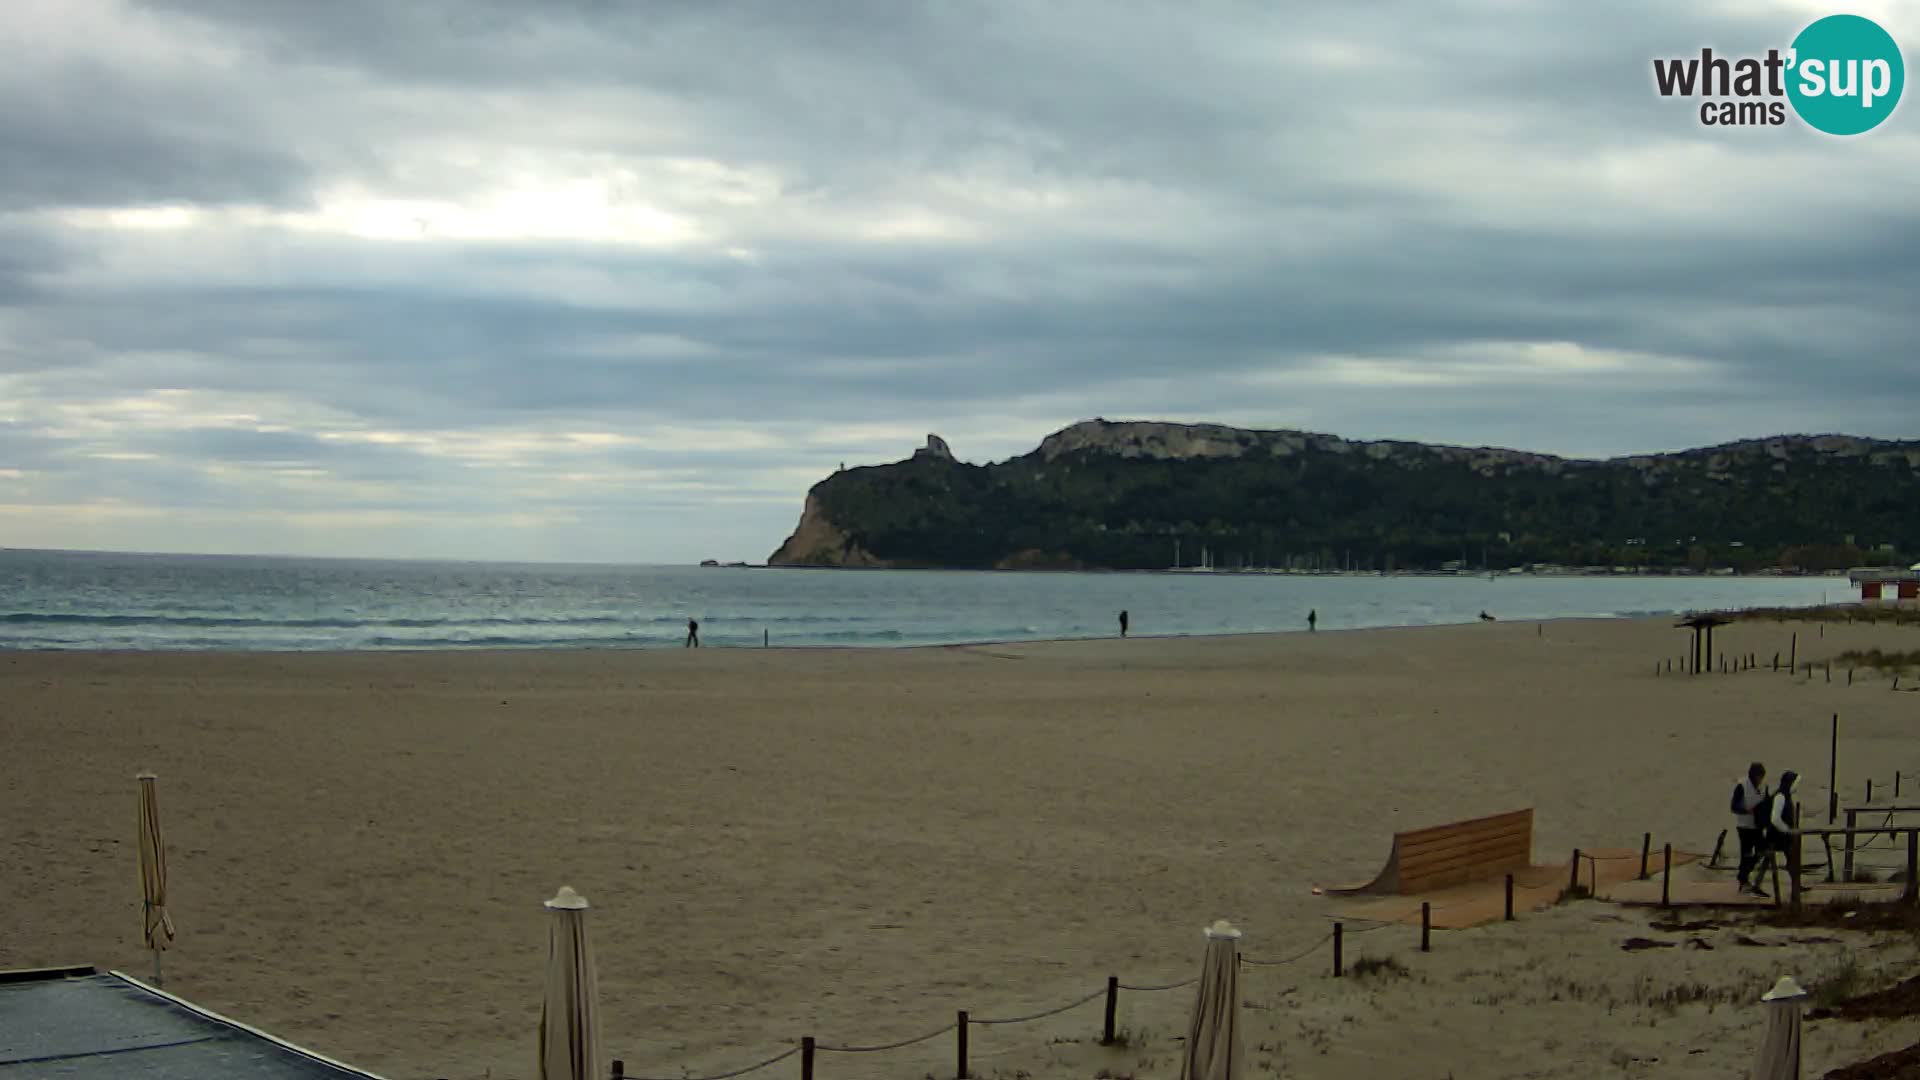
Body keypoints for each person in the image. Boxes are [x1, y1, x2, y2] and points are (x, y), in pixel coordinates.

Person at [1754, 770, 1801, 898]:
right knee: (1776, 858)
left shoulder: (1786, 796)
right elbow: (1775, 818)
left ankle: (1796, 885)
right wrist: (1787, 829)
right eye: (1796, 783)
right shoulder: (1780, 797)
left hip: (1782, 835)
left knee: (1790, 858)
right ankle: (1756, 886)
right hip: (1776, 835)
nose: (1797, 786)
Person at [1731, 762, 1769, 896]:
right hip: (1744, 827)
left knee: (1763, 850)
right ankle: (1743, 881)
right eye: (1759, 776)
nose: (1761, 780)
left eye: (1762, 777)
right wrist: (1747, 811)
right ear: (1753, 775)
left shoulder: (1764, 787)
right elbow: (1734, 807)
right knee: (1746, 853)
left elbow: (1767, 803)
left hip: (1757, 826)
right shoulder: (1742, 785)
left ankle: (1744, 873)